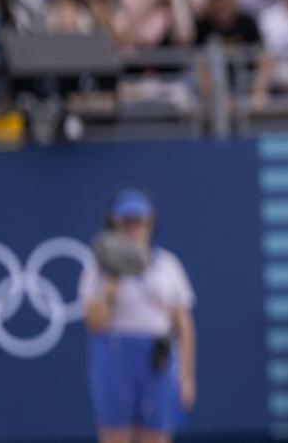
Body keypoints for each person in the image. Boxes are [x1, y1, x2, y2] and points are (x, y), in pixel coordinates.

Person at [79, 186, 197, 443]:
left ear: (150, 222)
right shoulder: (98, 267)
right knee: (115, 435)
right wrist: (112, 283)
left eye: (138, 220)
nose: (133, 227)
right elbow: (94, 323)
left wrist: (187, 376)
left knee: (157, 435)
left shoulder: (168, 265)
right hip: (114, 354)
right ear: (114, 223)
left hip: (157, 358)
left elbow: (183, 326)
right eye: (126, 221)